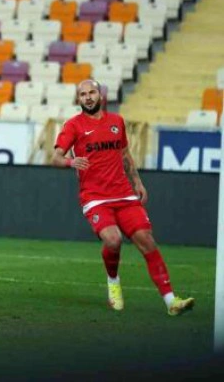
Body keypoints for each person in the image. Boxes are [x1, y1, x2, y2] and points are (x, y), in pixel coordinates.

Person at [52, 79, 194, 316]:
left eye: (92, 92)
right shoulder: (73, 125)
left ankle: (171, 301)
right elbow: (55, 157)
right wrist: (70, 162)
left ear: (100, 95)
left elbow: (125, 154)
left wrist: (137, 181)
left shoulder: (116, 122)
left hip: (124, 194)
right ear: (78, 99)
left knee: (146, 240)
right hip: (95, 197)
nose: (88, 97)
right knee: (113, 239)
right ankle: (113, 282)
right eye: (83, 94)